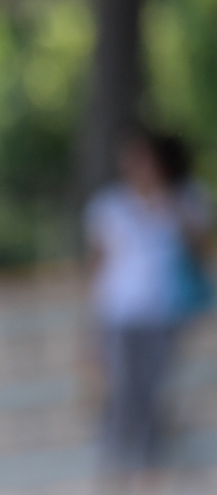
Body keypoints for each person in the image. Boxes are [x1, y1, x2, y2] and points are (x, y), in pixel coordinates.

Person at [85, 130, 212, 474]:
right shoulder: (111, 205)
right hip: (120, 310)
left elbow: (198, 251)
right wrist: (91, 319)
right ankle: (121, 455)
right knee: (124, 385)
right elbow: (100, 262)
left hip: (166, 310)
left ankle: (147, 457)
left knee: (152, 385)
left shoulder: (186, 198)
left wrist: (167, 205)